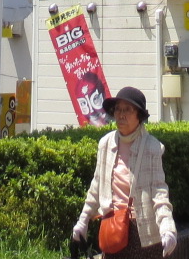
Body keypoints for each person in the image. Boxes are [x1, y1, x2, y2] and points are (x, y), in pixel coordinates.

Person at [72, 87, 177, 257]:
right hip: (113, 228)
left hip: (143, 233)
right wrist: (83, 221)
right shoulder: (105, 143)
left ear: (139, 115)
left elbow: (159, 192)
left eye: (127, 110)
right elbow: (96, 186)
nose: (121, 115)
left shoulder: (153, 147)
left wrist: (167, 229)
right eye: (118, 109)